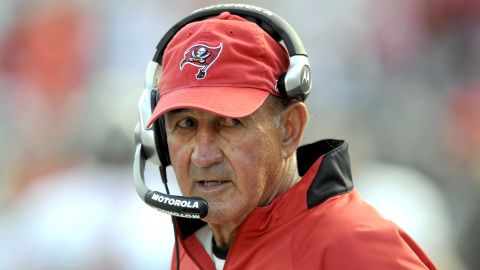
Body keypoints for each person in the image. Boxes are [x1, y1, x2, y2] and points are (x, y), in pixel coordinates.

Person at [135, 4, 437, 270]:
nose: (203, 155)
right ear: (159, 141)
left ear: (289, 129)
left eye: (228, 123)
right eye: (186, 124)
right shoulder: (193, 248)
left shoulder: (355, 248)